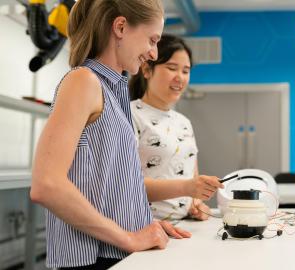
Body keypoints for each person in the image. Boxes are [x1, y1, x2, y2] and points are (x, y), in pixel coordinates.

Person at [30, 1, 222, 269]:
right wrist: (129, 238)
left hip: (113, 254)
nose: (154, 53)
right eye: (152, 40)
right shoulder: (83, 81)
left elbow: (109, 186)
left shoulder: (113, 91)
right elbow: (46, 185)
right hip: (92, 260)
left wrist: (142, 223)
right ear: (120, 27)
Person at [129, 34, 216, 221]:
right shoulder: (130, 115)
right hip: (146, 227)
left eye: (186, 71)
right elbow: (126, 185)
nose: (180, 77)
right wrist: (187, 188)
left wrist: (196, 203)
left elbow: (191, 176)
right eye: (171, 68)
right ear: (146, 69)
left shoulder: (184, 122)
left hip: (184, 227)